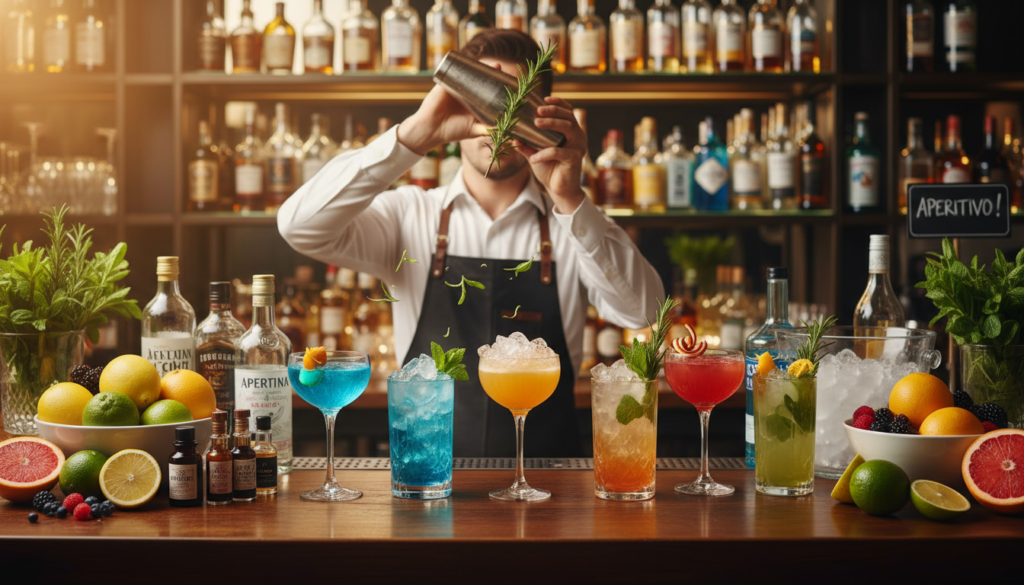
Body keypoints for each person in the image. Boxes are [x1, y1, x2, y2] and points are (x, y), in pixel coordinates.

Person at [278, 30, 664, 457]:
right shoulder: (410, 215)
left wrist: (570, 199)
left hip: (550, 486)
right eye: (485, 100)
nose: (499, 122)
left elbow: (642, 311)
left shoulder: (570, 223)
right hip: (426, 480)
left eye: (517, 106)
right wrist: (417, 134)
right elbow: (299, 226)